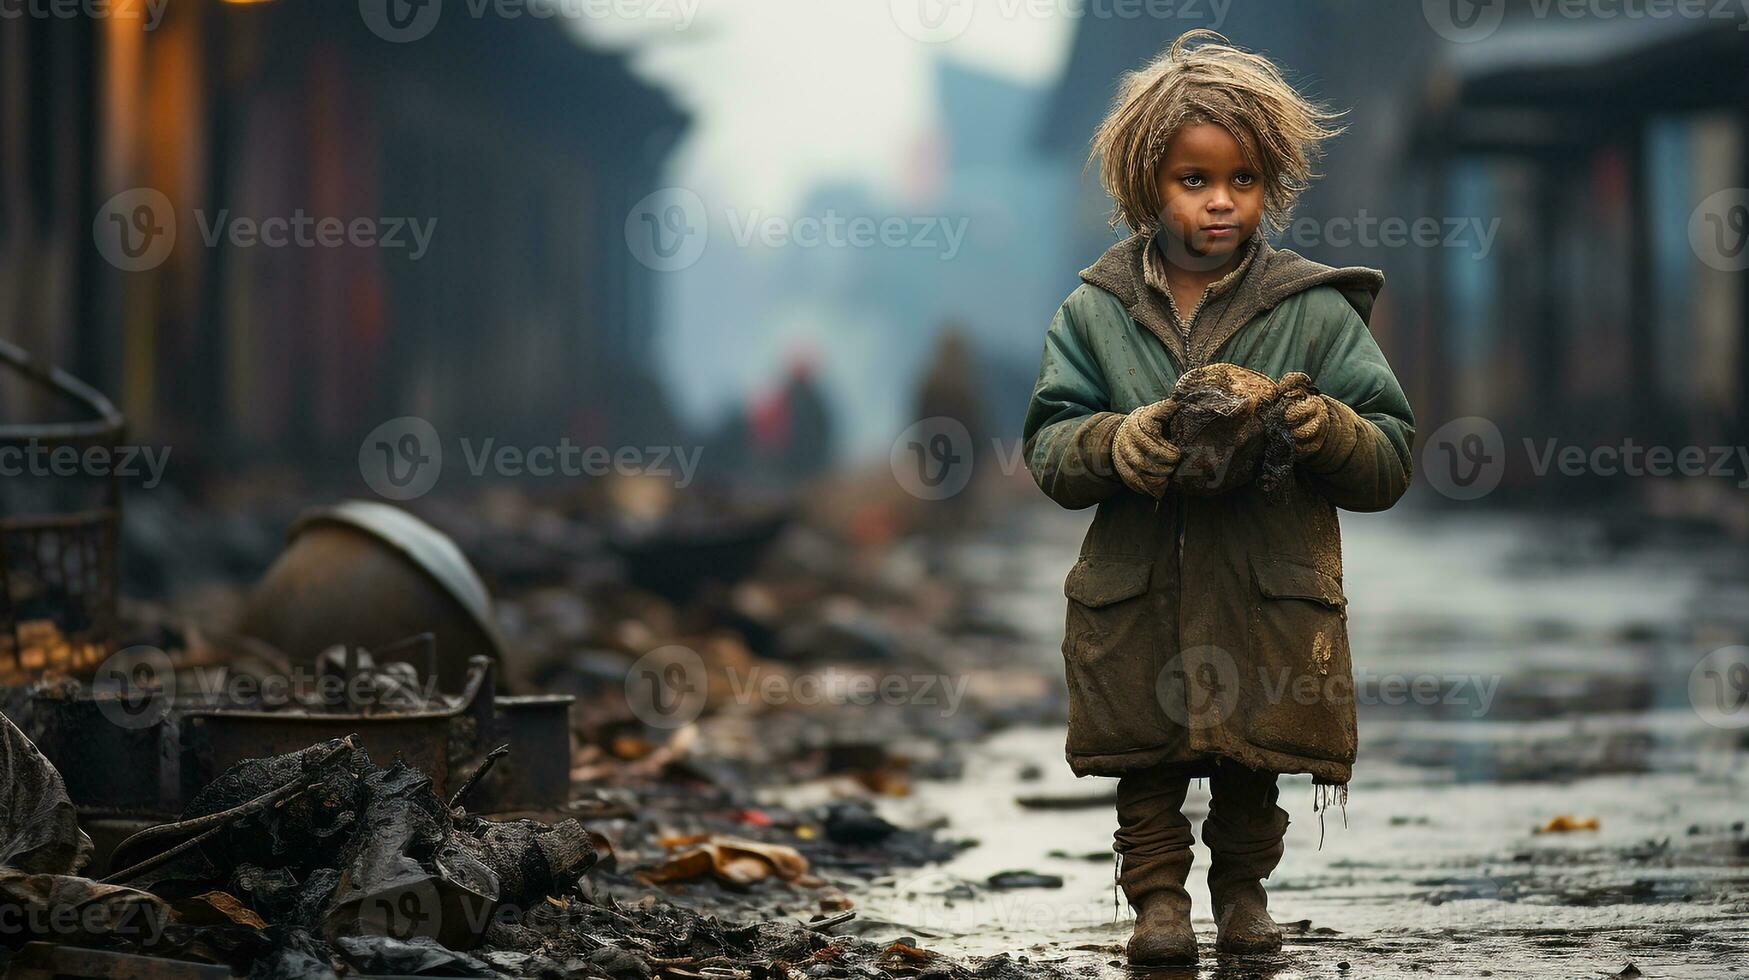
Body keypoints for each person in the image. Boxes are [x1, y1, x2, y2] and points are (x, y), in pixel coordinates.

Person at [1020, 30, 1415, 967]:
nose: (1219, 201)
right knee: (1146, 764)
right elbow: (1046, 443)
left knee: (1250, 760)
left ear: (1268, 184)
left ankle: (1243, 895)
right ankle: (1158, 901)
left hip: (1262, 593)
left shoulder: (1312, 311)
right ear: (1143, 186)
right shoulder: (1095, 312)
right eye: (1192, 180)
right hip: (1137, 589)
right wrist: (1116, 441)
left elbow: (1390, 454)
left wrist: (1326, 432)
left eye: (1240, 179)